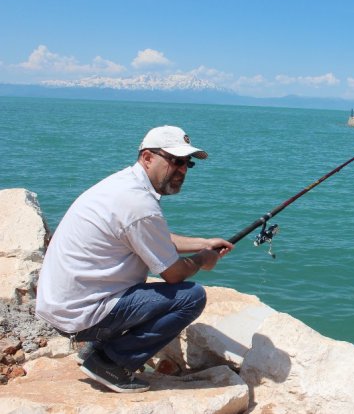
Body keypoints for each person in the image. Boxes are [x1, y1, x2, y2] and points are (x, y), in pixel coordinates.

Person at [36, 125, 234, 393]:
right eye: (175, 160)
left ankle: (99, 350)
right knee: (191, 296)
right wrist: (201, 260)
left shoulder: (124, 186)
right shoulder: (138, 204)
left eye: (187, 163)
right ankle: (110, 363)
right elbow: (173, 274)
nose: (183, 170)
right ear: (148, 157)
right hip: (79, 313)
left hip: (63, 303)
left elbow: (154, 237)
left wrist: (203, 243)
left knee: (155, 291)